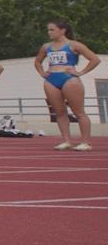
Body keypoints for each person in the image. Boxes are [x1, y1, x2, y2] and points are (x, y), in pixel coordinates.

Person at [33, 20, 100, 151]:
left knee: (79, 112)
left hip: (69, 79)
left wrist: (81, 72)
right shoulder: (46, 47)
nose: (49, 32)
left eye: (52, 30)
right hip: (51, 79)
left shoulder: (74, 45)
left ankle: (86, 142)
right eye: (48, 30)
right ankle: (66, 141)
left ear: (62, 30)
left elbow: (95, 59)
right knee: (59, 112)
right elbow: (37, 62)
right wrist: (42, 73)